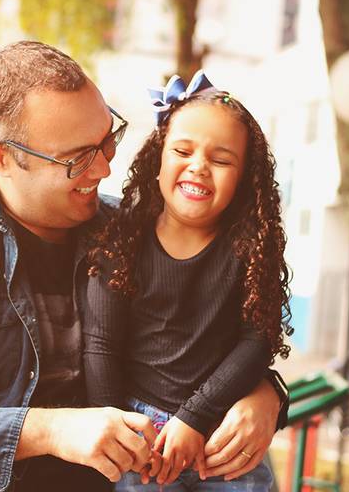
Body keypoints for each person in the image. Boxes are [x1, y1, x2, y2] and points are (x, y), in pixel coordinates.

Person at [0, 41, 289, 492]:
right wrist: (49, 431)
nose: (104, 170)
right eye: (77, 159)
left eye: (107, 140)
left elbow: (204, 339)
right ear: (2, 158)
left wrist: (266, 395)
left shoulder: (123, 233)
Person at [82, 71, 291, 491]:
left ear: (245, 177)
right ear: (158, 157)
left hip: (225, 438)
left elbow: (259, 339)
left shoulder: (251, 249)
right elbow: (100, 344)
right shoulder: (121, 240)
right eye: (183, 150)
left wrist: (194, 417)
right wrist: (119, 432)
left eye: (222, 159)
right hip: (143, 440)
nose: (199, 166)